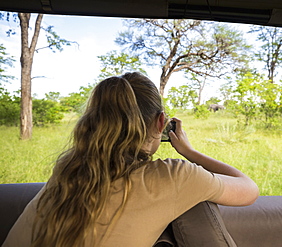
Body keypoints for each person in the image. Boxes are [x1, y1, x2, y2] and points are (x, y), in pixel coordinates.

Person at [2, 72, 259, 247]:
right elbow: (249, 189)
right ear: (161, 122)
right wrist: (189, 152)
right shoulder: (174, 176)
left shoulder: (68, 166)